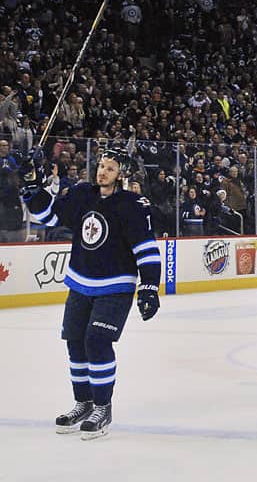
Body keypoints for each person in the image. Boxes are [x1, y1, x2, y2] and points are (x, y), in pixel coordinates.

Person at [20, 146, 160, 439]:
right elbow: (50, 215)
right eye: (100, 165)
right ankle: (82, 403)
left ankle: (102, 407)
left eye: (109, 167)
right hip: (80, 282)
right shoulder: (83, 194)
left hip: (116, 286)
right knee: (75, 342)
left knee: (97, 341)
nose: (102, 171)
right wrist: (33, 186)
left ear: (121, 173)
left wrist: (148, 287)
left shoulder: (132, 204)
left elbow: (146, 249)